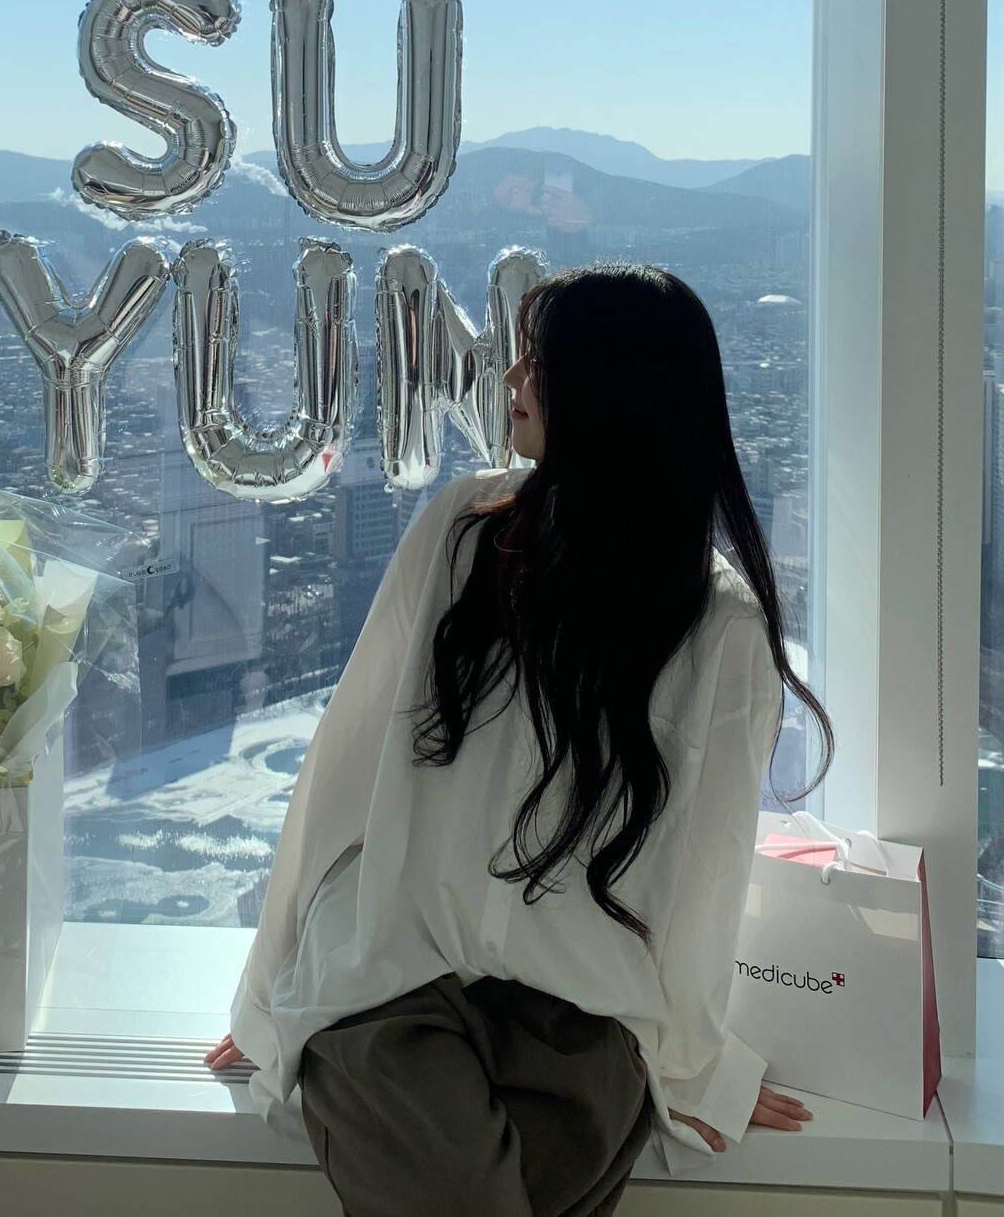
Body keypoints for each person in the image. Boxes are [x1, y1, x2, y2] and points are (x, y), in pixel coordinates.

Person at [203, 263, 829, 1217]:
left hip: (581, 1014)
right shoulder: (463, 532)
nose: (511, 380)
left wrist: (698, 1070)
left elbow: (709, 872)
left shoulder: (722, 628)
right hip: (390, 976)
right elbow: (346, 760)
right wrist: (266, 993)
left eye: (539, 362)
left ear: (610, 394)